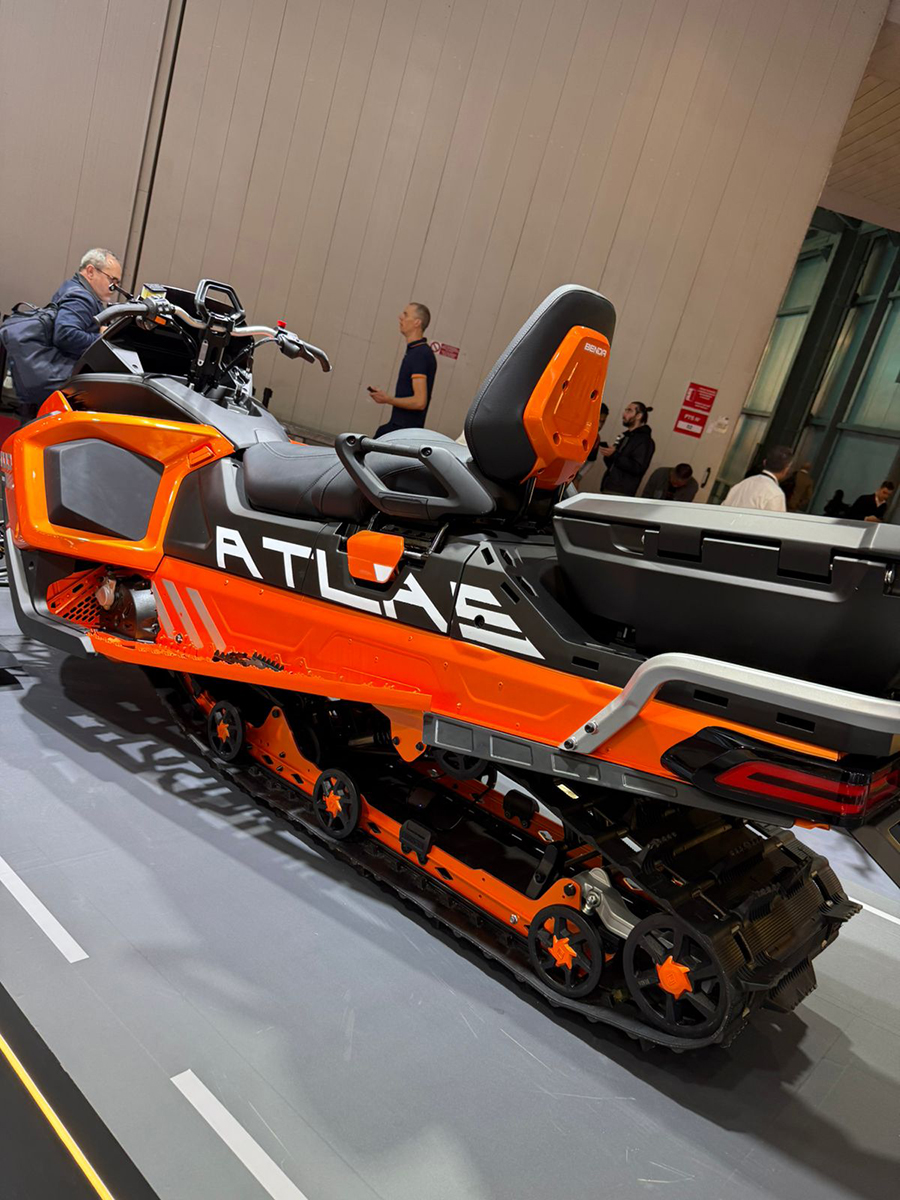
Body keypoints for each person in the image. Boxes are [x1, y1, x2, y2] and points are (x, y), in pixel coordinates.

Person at [1, 248, 121, 420]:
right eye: (112, 280)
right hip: (57, 383)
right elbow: (66, 335)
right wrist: (101, 338)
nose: (114, 287)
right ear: (90, 271)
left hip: (46, 380)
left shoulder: (73, 287)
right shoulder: (81, 297)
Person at [368, 302, 437, 437]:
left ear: (417, 322)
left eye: (406, 315)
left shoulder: (420, 354)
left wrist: (387, 399)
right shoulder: (415, 351)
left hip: (403, 431)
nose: (400, 317)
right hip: (400, 428)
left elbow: (419, 401)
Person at [599, 401, 655, 495]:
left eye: (629, 411)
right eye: (625, 410)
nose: (624, 414)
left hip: (621, 491)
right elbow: (614, 464)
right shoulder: (626, 437)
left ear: (639, 416)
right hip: (609, 486)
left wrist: (615, 455)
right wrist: (609, 455)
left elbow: (637, 468)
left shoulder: (645, 441)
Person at [721, 445, 793, 512]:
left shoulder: (742, 484)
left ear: (764, 462)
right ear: (786, 469)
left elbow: (722, 509)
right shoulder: (775, 494)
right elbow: (775, 521)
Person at [574, 402, 609, 487]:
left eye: (603, 422)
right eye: (598, 421)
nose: (600, 425)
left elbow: (591, 461)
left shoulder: (596, 438)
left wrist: (578, 477)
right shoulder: (575, 430)